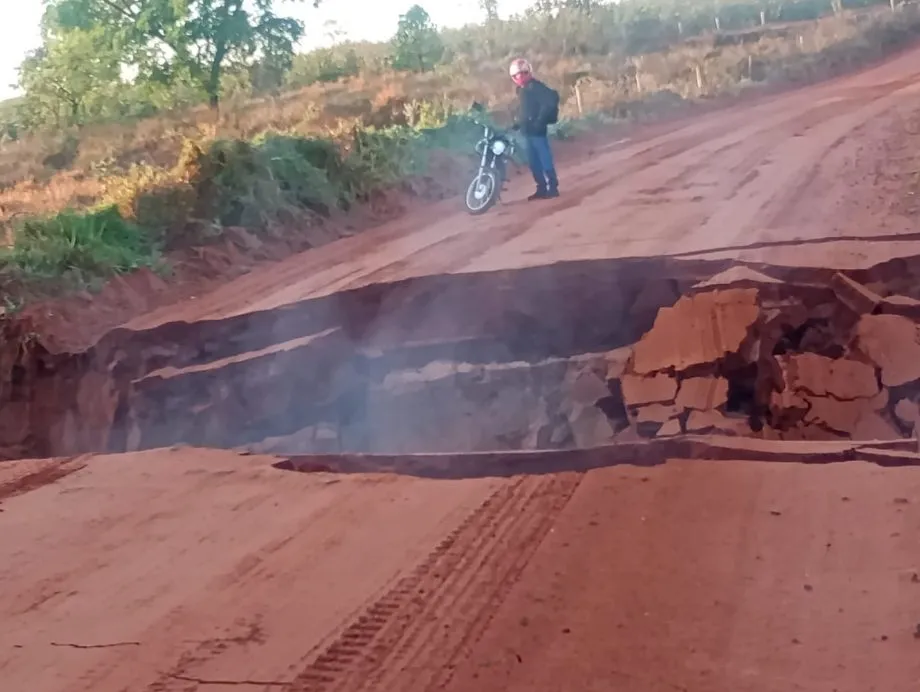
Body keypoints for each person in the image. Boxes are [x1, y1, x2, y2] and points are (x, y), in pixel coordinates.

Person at [510, 58, 561, 200]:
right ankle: (542, 188)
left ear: (528, 72)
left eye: (522, 73)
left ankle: (552, 187)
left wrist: (540, 121)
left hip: (537, 131)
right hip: (526, 131)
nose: (519, 77)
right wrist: (518, 123)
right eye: (517, 75)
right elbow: (525, 111)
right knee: (534, 162)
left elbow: (548, 104)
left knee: (544, 159)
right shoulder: (522, 90)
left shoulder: (536, 87)